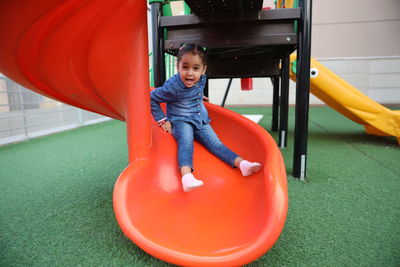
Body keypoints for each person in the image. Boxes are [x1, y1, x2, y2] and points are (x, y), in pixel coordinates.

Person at [150, 44, 261, 192]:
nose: (190, 73)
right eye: (185, 67)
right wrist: (162, 120)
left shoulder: (201, 80)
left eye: (195, 68)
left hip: (200, 119)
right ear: (178, 67)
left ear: (203, 70)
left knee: (216, 144)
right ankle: (187, 177)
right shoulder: (173, 87)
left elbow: (194, 90)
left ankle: (242, 165)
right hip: (181, 120)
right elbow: (152, 98)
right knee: (186, 142)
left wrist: (199, 97)